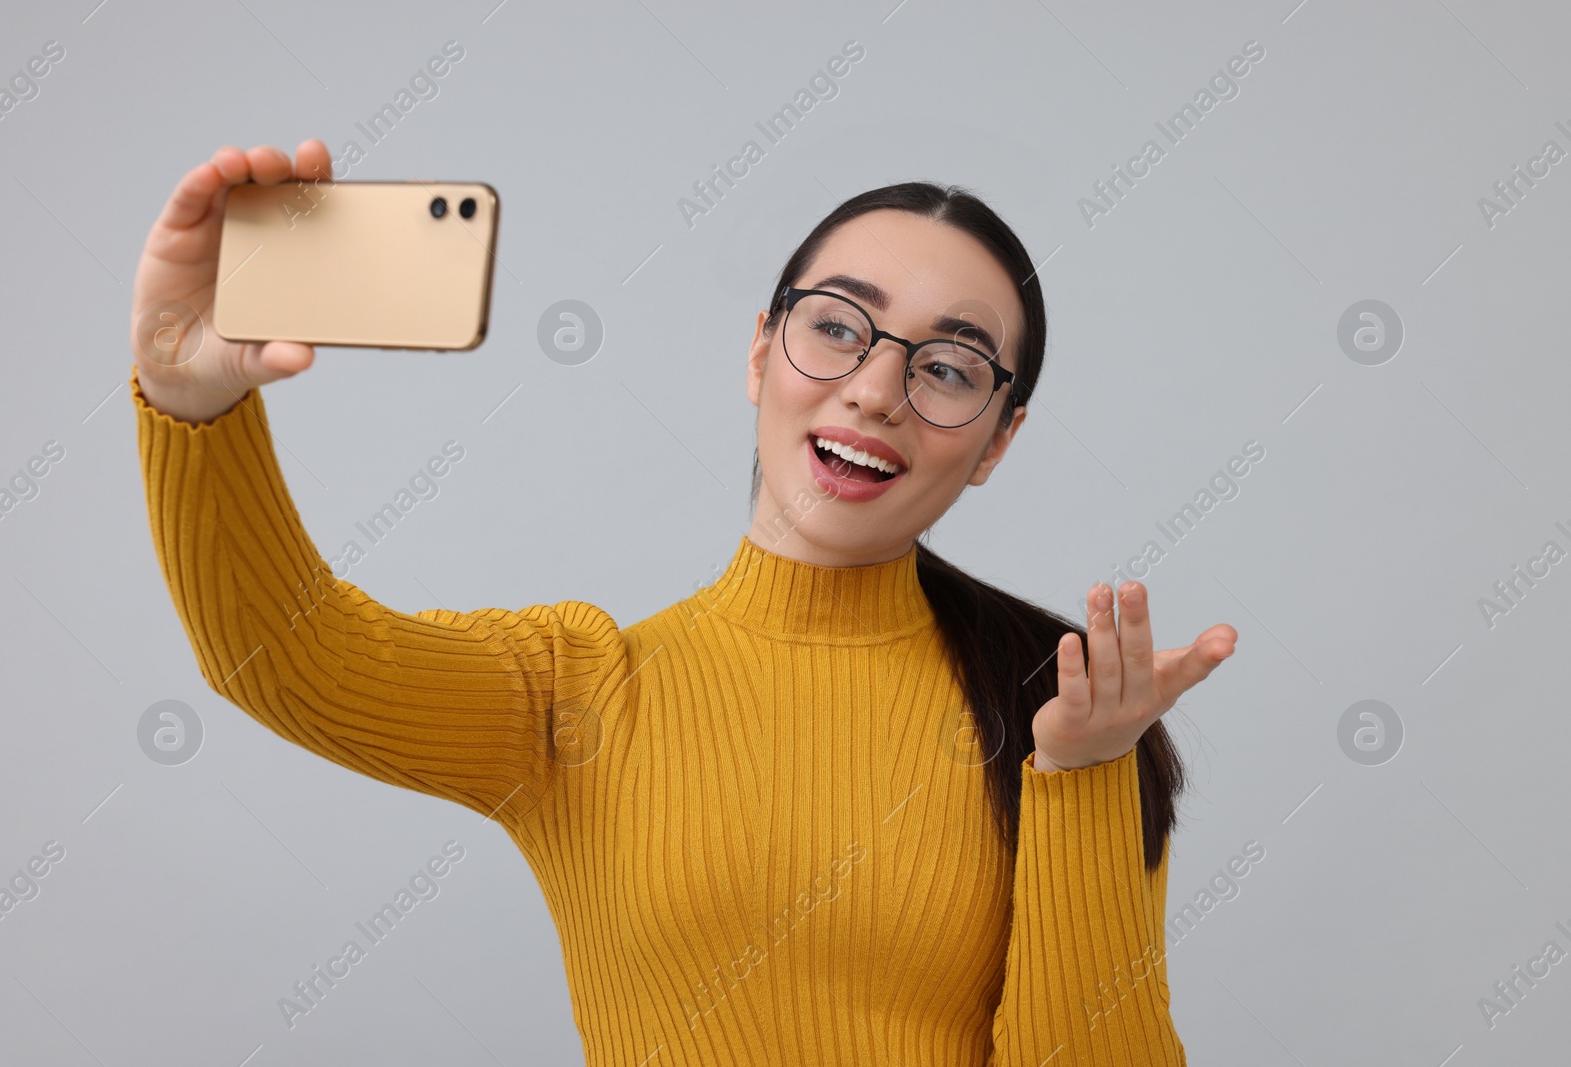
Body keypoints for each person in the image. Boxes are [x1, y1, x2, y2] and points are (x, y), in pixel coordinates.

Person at [130, 139, 1238, 1066]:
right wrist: (194, 404)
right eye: (838, 326)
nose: (874, 388)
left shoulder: (1063, 707)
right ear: (762, 351)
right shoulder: (575, 687)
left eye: (948, 366)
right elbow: (286, 657)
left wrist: (1085, 776)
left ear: (997, 440)